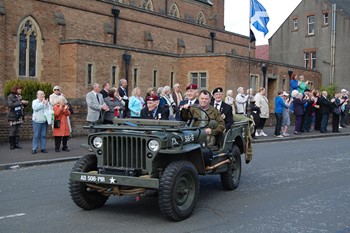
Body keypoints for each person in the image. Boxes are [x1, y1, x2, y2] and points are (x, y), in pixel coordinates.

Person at [7, 85, 28, 150]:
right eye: (19, 89)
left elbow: (20, 106)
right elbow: (10, 105)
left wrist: (25, 104)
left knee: (18, 130)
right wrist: (20, 102)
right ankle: (12, 145)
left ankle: (16, 144)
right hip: (13, 116)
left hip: (19, 115)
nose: (21, 90)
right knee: (13, 130)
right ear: (16, 89)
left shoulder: (20, 96)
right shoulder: (10, 96)